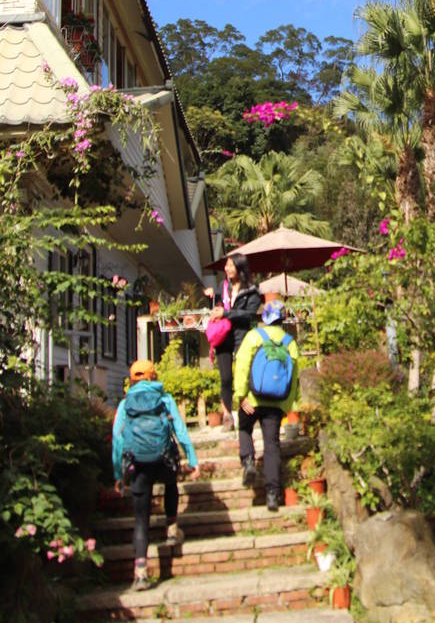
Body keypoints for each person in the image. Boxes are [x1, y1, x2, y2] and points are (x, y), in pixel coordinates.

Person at [112, 359, 200, 590]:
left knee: (141, 519)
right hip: (163, 459)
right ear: (153, 376)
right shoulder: (164, 399)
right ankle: (171, 527)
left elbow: (117, 439)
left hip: (138, 464)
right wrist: (192, 459)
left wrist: (118, 474)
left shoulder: (125, 404)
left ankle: (140, 572)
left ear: (132, 380)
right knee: (171, 483)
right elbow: (179, 430)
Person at [232, 301, 299, 511]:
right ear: (282, 318)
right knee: (272, 445)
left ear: (265, 318)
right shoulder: (290, 342)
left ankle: (249, 461)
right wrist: (286, 406)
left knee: (244, 428)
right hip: (276, 402)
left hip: (252, 399)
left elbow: (242, 365)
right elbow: (294, 377)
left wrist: (240, 396)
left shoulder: (254, 336)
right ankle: (272, 494)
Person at [204, 252, 261, 428]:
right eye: (226, 265)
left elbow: (250, 315)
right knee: (226, 378)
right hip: (223, 336)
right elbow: (218, 308)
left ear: (240, 267)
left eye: (230, 265)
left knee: (246, 374)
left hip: (241, 336)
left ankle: (252, 412)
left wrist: (227, 313)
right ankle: (228, 416)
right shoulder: (223, 286)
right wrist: (211, 300)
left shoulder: (252, 290)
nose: (227, 268)